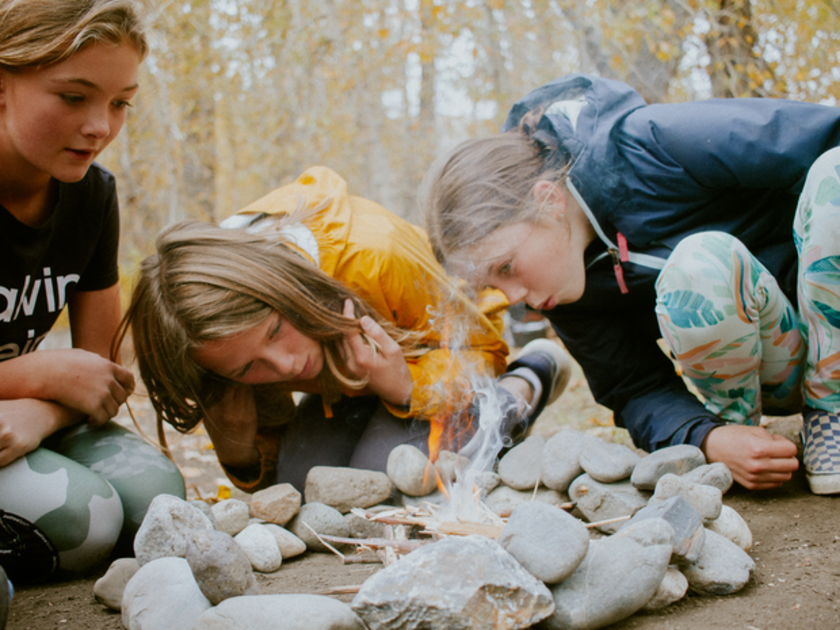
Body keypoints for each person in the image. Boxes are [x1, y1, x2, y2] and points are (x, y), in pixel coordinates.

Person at [421, 72, 840, 494]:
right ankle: (744, 430)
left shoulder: (654, 144)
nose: (512, 298)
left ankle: (832, 411)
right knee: (697, 267)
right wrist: (707, 438)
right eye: (492, 284)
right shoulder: (565, 289)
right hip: (776, 364)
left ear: (549, 200)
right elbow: (633, 386)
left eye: (506, 267)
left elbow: (824, 136)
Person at [117, 166, 572, 495]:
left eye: (277, 331)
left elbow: (481, 349)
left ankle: (529, 380)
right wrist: (239, 453)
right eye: (250, 367)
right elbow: (269, 481)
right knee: (300, 488)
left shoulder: (373, 254)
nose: (286, 365)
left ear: (285, 283)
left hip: (436, 355)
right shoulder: (215, 332)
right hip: (351, 389)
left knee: (394, 484)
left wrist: (405, 387)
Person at [0, 0, 185, 587]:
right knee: (86, 517)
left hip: (27, 415)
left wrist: (40, 409)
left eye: (120, 103)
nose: (100, 126)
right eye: (74, 97)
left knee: (155, 496)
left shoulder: (91, 197)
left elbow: (101, 371)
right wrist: (43, 376)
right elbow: (69, 372)